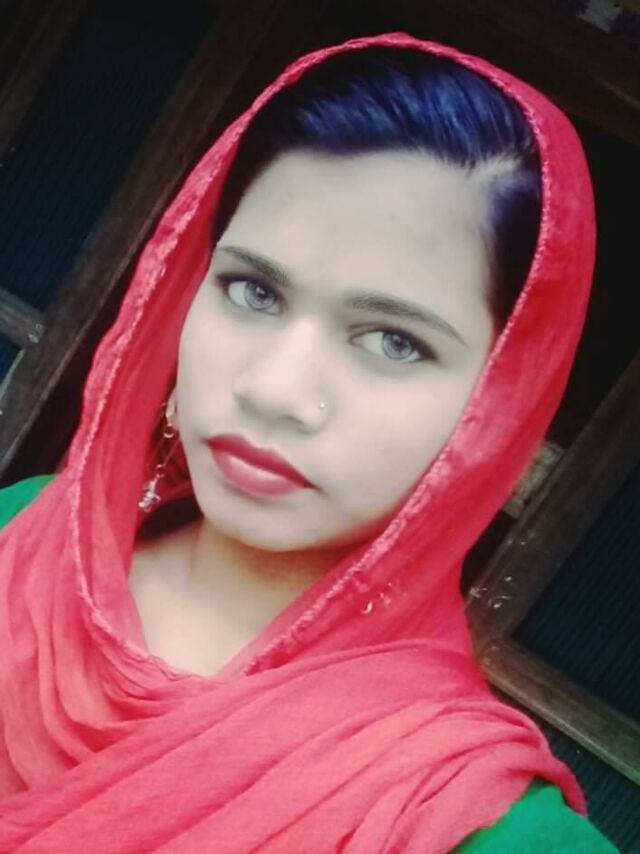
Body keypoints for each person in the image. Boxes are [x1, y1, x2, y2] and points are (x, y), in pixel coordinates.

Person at [0, 31, 617, 853]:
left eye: (395, 342)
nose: (274, 391)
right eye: (252, 290)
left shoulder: (471, 820)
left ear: (503, 405)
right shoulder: (25, 531)